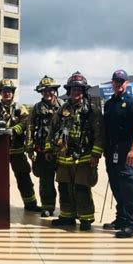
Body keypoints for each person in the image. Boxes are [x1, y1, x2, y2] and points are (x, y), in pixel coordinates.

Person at [45, 71, 104, 231]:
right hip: (63, 157)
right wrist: (49, 148)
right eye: (73, 89)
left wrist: (96, 155)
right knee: (64, 187)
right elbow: (53, 129)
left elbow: (99, 134)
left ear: (83, 91)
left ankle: (86, 219)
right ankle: (67, 216)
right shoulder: (62, 109)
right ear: (69, 91)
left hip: (84, 157)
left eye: (79, 90)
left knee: (81, 187)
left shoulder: (92, 110)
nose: (75, 92)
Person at [103, 69, 133, 238]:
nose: (118, 84)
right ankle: (121, 219)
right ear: (112, 82)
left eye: (121, 81)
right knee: (115, 184)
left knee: (128, 186)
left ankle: (132, 224)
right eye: (116, 81)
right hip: (111, 150)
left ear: (126, 83)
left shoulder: (132, 103)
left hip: (125, 150)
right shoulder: (109, 103)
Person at [0, 79, 41, 212]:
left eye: (9, 91)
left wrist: (15, 129)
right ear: (0, 93)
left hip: (17, 150)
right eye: (4, 91)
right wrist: (3, 129)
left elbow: (26, 121)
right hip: (0, 151)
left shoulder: (20, 108)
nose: (7, 93)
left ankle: (30, 204)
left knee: (24, 178)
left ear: (12, 93)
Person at [25, 76, 63, 217]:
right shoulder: (36, 108)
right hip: (42, 151)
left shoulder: (64, 106)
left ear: (55, 91)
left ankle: (68, 210)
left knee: (64, 181)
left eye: (50, 90)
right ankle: (47, 207)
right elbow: (30, 128)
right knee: (46, 181)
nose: (48, 93)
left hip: (61, 151)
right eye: (44, 91)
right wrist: (29, 149)